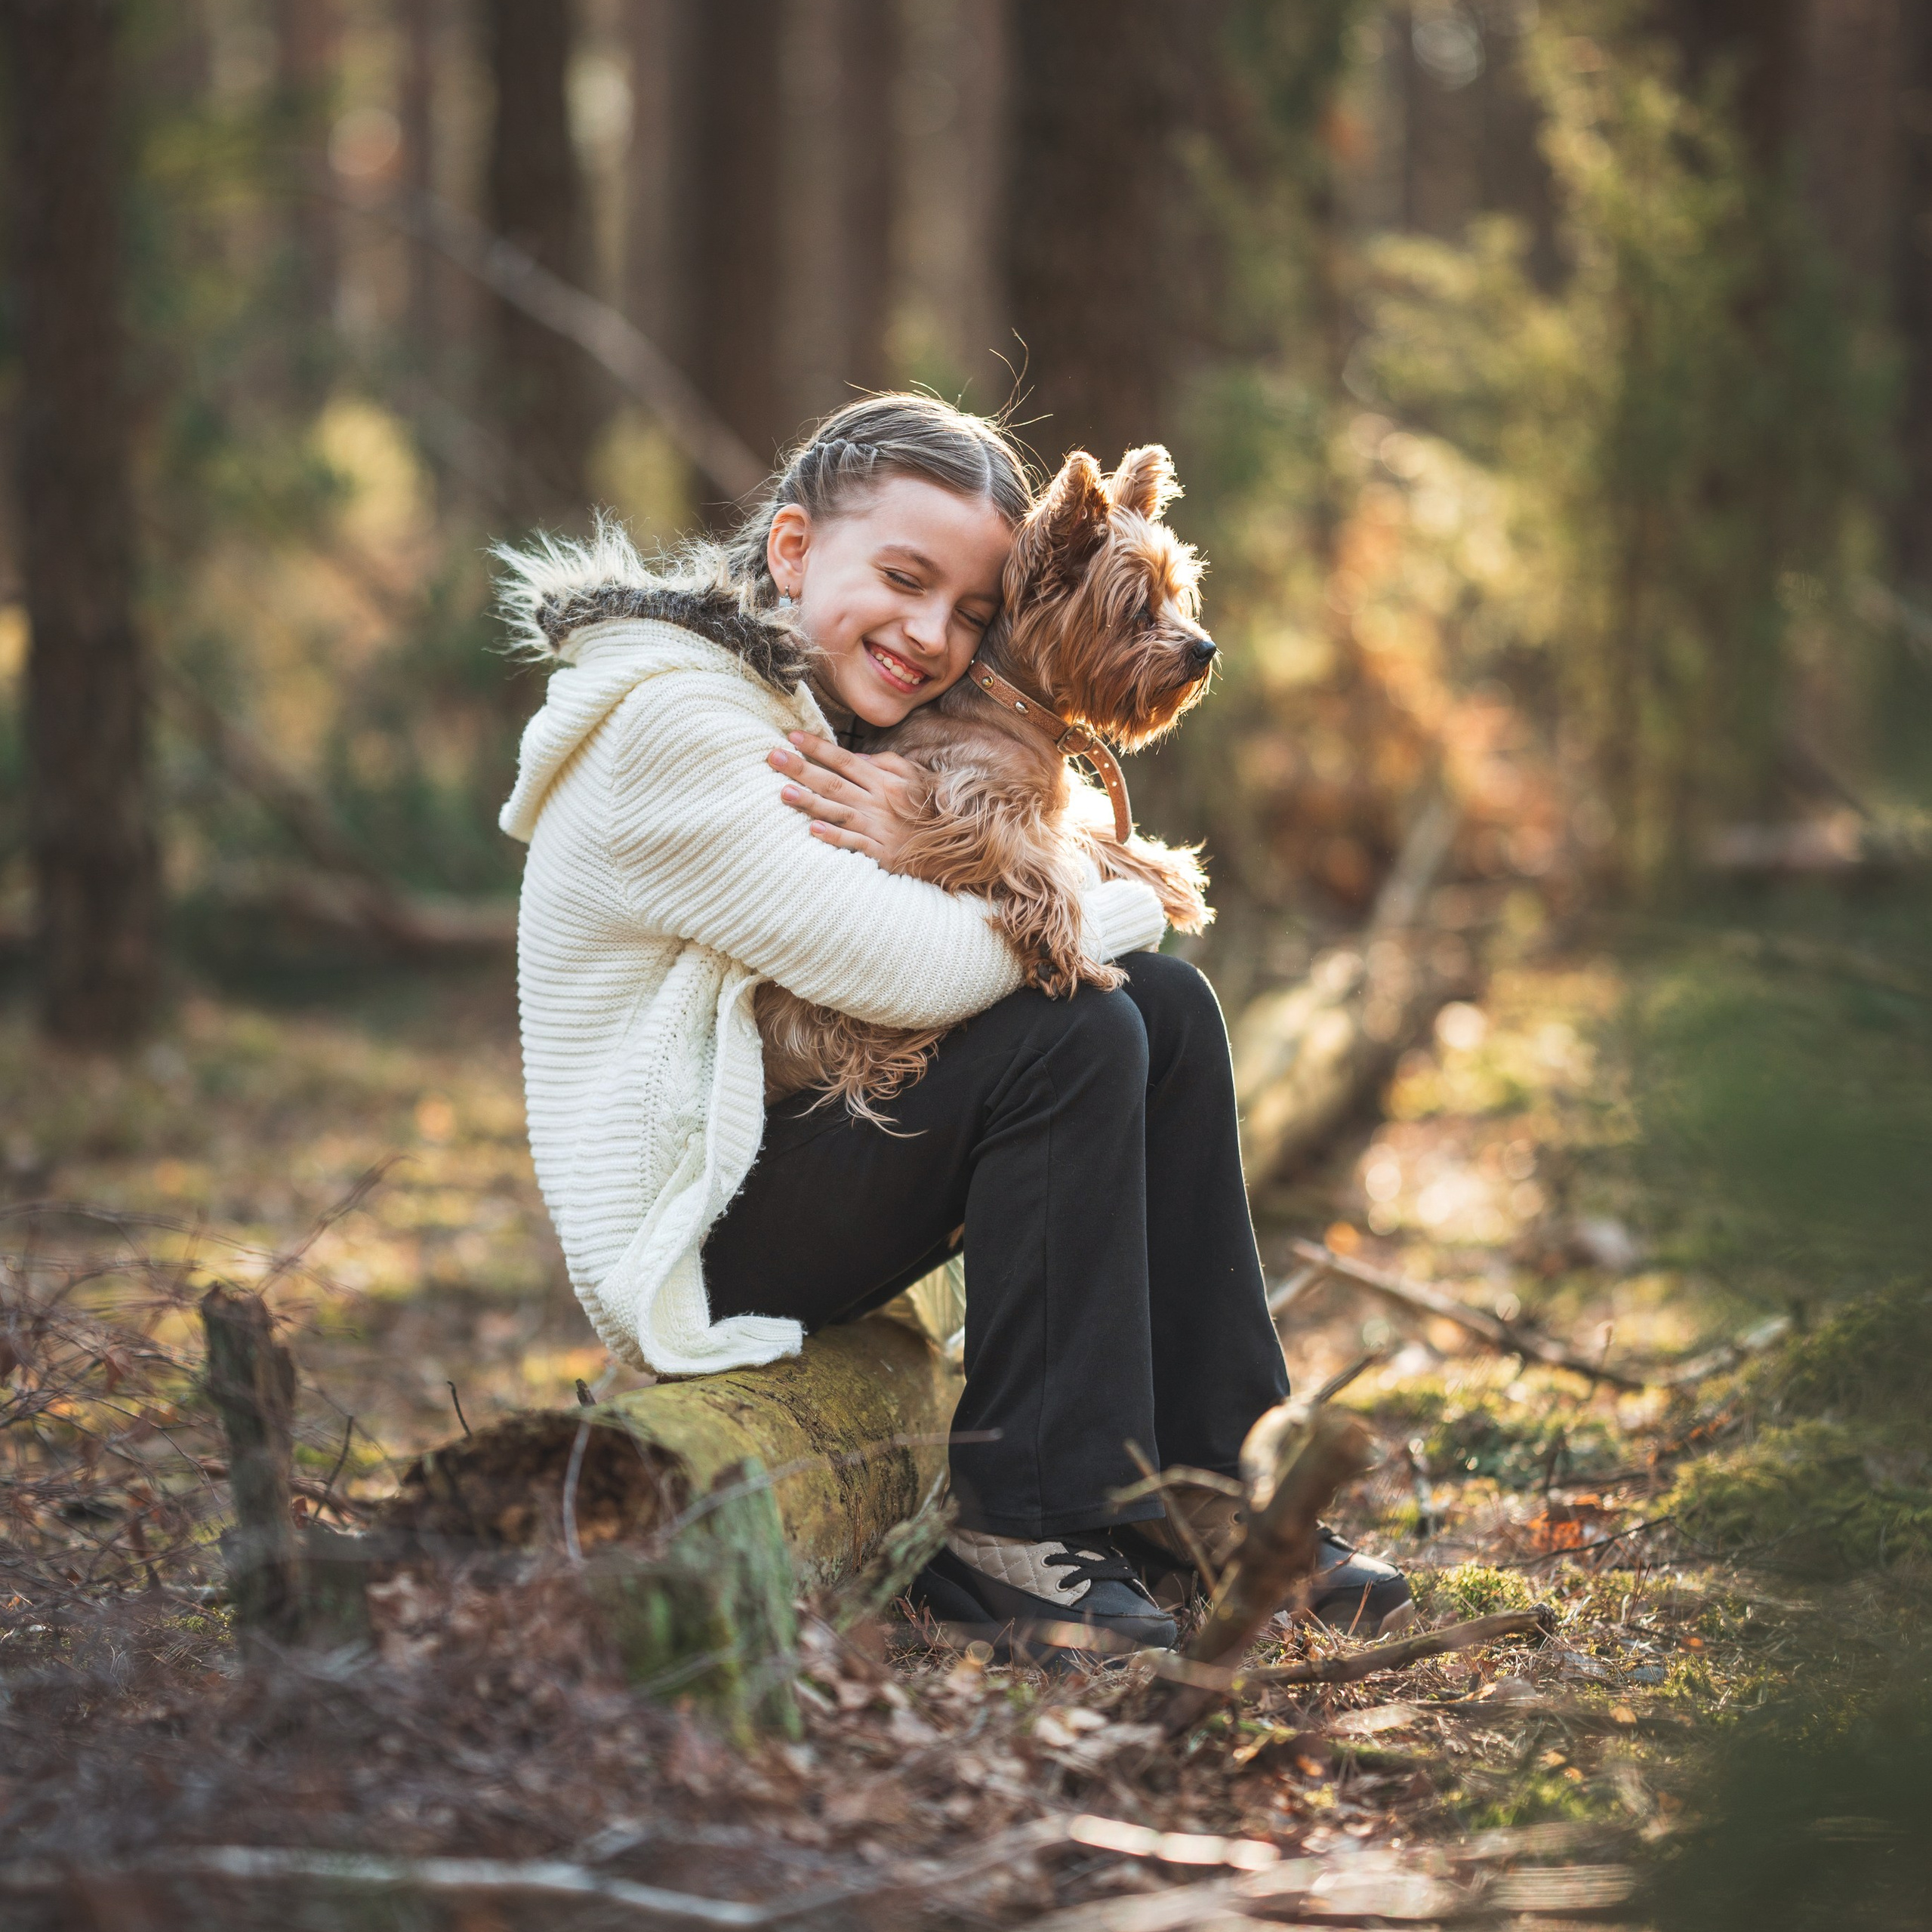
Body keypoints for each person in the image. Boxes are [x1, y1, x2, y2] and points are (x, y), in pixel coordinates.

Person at [497, 394, 1410, 1651]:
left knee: (1169, 1007)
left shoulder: (818, 710)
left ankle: (1203, 1482)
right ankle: (1020, 1526)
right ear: (792, 548)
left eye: (974, 611)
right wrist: (1117, 892)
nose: (933, 636)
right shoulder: (676, 725)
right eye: (902, 578)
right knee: (1077, 1032)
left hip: (793, 1156)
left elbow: (1005, 920)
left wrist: (972, 851)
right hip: (697, 1234)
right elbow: (915, 973)